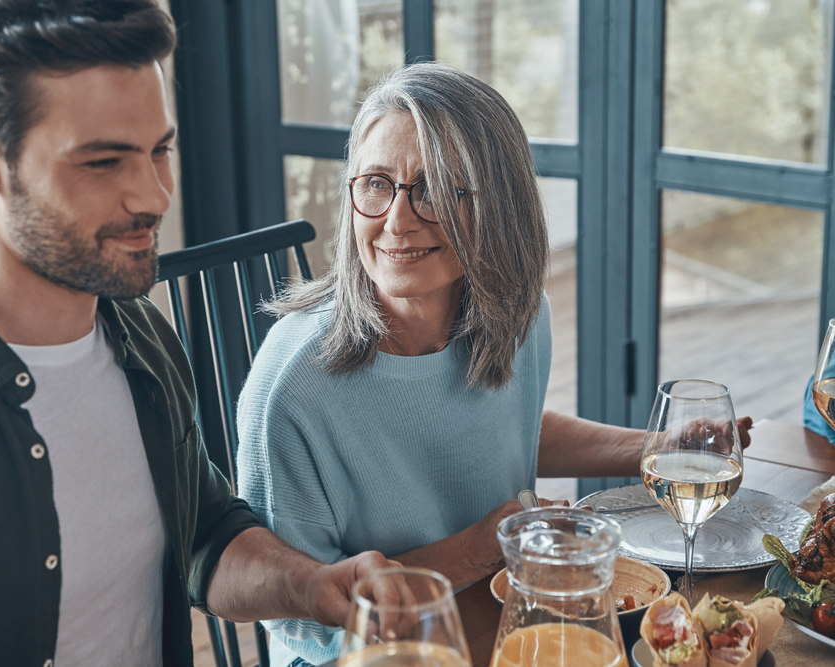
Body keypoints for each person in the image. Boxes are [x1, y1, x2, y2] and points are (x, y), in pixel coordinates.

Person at [0, 1, 400, 665]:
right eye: (104, 162)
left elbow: (204, 534)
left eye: (160, 149)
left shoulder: (144, 338)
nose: (155, 195)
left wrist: (314, 585)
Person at [235, 62, 753, 667]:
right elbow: (304, 619)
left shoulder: (520, 314)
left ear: (500, 203)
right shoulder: (293, 387)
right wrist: (484, 548)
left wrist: (659, 446)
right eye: (376, 183)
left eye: (434, 189)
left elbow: (508, 424)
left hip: (504, 620)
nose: (397, 221)